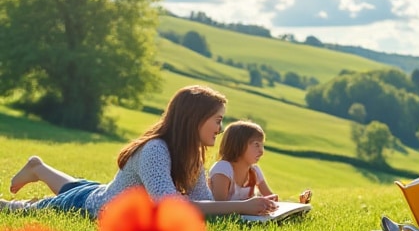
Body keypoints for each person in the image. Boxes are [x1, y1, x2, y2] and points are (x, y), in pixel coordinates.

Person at [5, 85, 278, 217]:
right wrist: (241, 206)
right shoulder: (156, 150)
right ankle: (30, 179)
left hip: (102, 191)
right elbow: (169, 205)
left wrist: (247, 208)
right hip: (90, 206)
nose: (220, 130)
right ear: (194, 119)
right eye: (218, 120)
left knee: (79, 187)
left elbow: (202, 200)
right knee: (19, 210)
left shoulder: (193, 155)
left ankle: (38, 167)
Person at [209, 120, 313, 205]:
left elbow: (272, 199)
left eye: (262, 145)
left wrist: (298, 204)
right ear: (238, 145)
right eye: (256, 145)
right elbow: (219, 206)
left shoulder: (254, 171)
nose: (262, 151)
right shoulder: (223, 169)